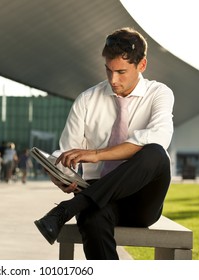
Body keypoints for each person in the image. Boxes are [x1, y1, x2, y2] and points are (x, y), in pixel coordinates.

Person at [34, 27, 174, 260]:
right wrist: (59, 173)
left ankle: (65, 210)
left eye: (121, 72)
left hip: (141, 201)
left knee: (156, 153)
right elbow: (66, 151)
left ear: (142, 65)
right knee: (92, 219)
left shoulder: (159, 93)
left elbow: (159, 137)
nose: (113, 80)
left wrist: (97, 154)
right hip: (97, 197)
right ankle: (75, 207)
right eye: (108, 70)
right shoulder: (87, 99)